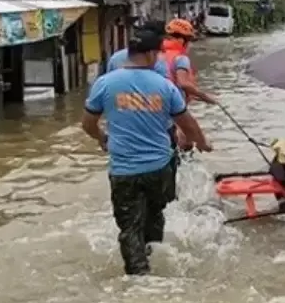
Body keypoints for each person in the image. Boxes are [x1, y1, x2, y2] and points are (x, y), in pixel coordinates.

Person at [82, 29, 212, 275]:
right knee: (155, 216)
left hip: (123, 171)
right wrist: (202, 143)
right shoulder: (164, 86)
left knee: (129, 227)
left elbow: (87, 123)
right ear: (152, 54)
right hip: (158, 169)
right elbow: (188, 124)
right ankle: (154, 258)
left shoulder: (105, 83)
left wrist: (103, 139)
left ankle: (138, 277)